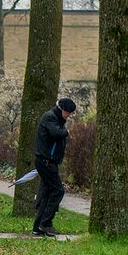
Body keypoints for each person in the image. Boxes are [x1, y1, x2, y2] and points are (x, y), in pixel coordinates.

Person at [32, 97, 76, 237]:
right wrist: (67, 132)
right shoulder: (50, 117)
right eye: (68, 112)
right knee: (58, 191)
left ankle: (38, 227)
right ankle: (46, 224)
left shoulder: (57, 119)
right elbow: (57, 133)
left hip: (49, 162)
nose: (69, 115)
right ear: (61, 109)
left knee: (46, 194)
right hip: (46, 162)